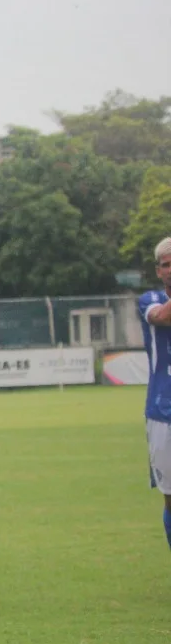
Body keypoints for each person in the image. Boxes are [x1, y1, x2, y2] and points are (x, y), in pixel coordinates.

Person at [137, 237, 171, 553]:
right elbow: (162, 317)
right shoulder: (149, 299)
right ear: (158, 270)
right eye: (166, 264)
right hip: (164, 411)